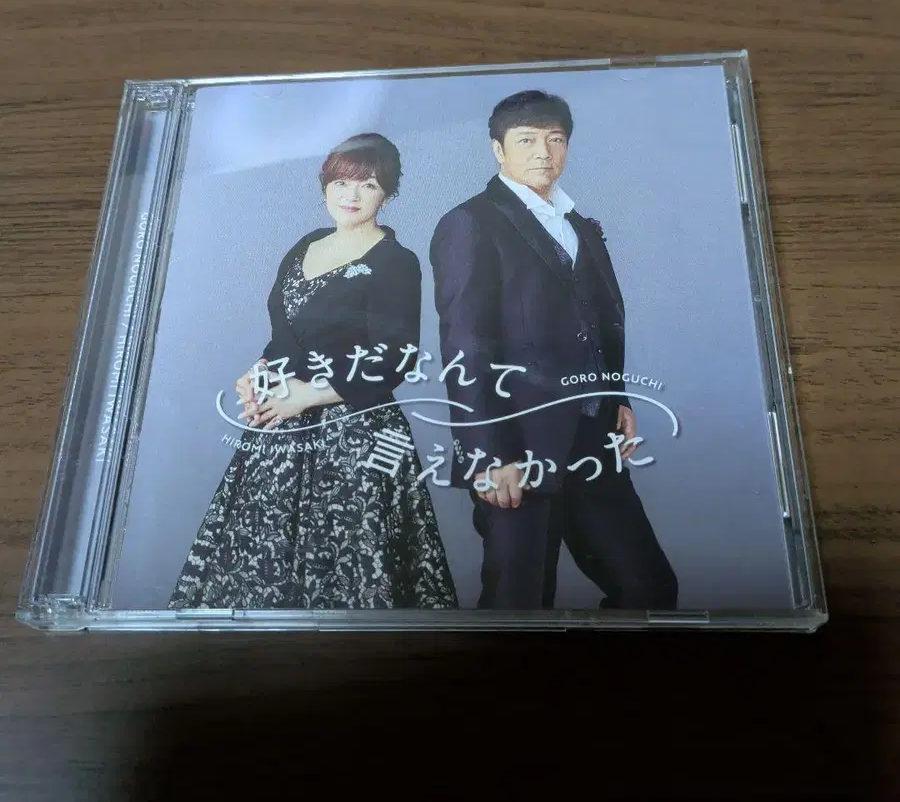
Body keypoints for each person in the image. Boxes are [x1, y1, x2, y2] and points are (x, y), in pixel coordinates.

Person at [169, 133, 458, 611]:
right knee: (260, 564)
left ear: (387, 194)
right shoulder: (304, 245)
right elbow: (285, 338)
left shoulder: (396, 262)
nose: (351, 195)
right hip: (282, 425)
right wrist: (258, 374)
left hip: (355, 430)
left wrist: (308, 395)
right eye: (341, 182)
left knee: (355, 568)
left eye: (368, 184)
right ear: (325, 187)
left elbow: (398, 356)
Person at [429, 91, 677, 611]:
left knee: (649, 589)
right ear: (498, 150)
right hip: (515, 443)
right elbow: (465, 346)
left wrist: (616, 397)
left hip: (591, 435)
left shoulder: (581, 225)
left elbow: (599, 321)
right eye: (526, 141)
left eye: (555, 139)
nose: (544, 152)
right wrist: (488, 456)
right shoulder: (470, 223)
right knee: (520, 604)